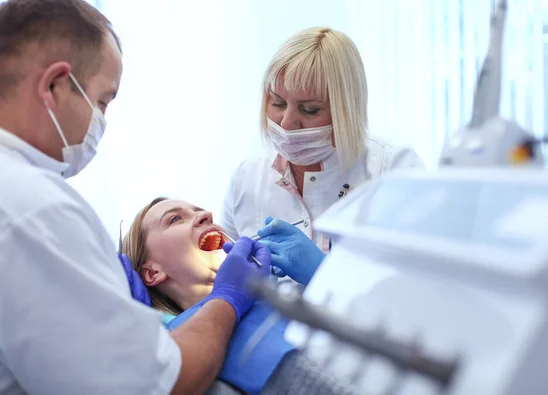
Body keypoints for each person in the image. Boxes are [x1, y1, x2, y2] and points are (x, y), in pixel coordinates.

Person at [0, 1, 269, 394]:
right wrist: (229, 299)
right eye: (102, 102)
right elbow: (154, 385)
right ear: (55, 85)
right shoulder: (34, 209)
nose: (203, 216)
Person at [220, 26, 424, 264]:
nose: (287, 123)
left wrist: (324, 273)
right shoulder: (247, 178)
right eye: (278, 103)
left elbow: (418, 282)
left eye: (310, 109)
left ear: (346, 109)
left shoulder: (394, 171)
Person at [121, 197, 315, 394]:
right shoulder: (170, 357)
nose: (206, 215)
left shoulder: (291, 295)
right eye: (174, 219)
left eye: (200, 210)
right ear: (153, 273)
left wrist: (322, 270)